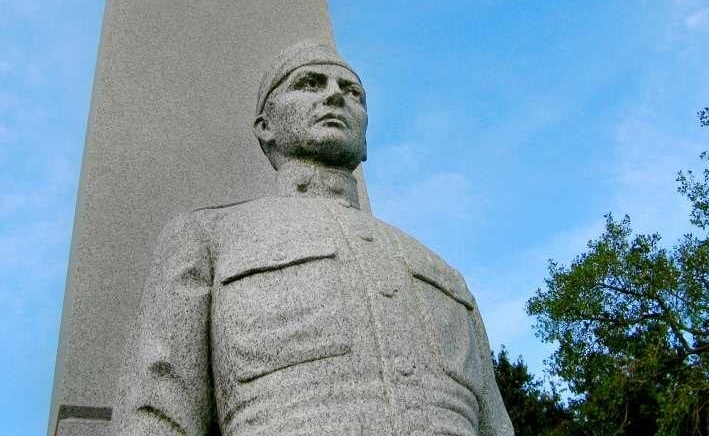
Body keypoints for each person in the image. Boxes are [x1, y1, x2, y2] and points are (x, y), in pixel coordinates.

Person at [114, 41, 513, 436]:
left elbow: (495, 424)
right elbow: (157, 409)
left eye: (352, 92)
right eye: (309, 83)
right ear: (265, 126)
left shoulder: (443, 273)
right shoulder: (208, 238)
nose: (335, 96)